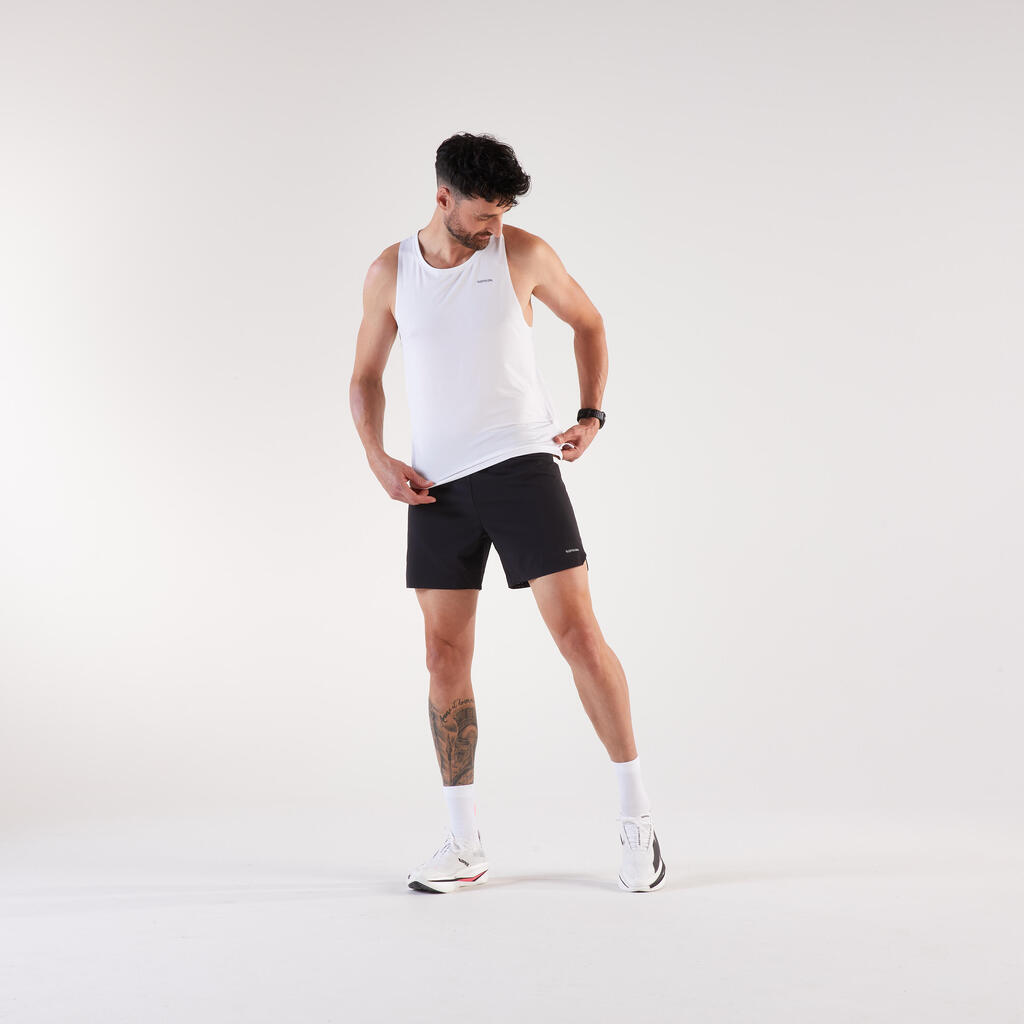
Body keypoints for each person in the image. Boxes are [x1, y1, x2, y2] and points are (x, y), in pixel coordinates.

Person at [349, 131, 666, 894]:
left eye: (503, 214)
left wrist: (591, 413)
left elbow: (589, 322)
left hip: (521, 467)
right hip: (436, 487)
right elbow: (364, 376)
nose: (494, 228)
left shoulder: (522, 254)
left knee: (579, 638)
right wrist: (378, 458)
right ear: (443, 197)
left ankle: (637, 819)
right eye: (483, 214)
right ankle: (464, 842)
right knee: (442, 659)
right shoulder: (391, 272)